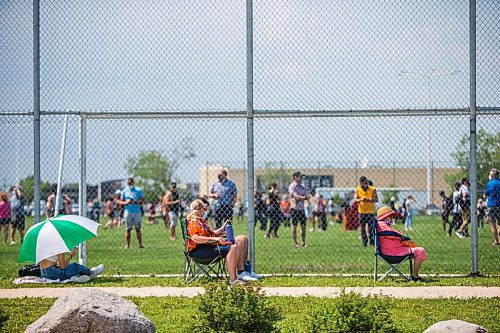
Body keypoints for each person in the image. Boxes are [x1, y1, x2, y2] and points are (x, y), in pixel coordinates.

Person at [186, 198, 261, 285]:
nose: (205, 211)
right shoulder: (193, 222)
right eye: (204, 209)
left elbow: (212, 233)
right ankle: (233, 279)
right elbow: (195, 238)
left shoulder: (201, 221)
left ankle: (242, 272)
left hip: (208, 246)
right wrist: (215, 239)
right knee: (233, 247)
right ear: (199, 210)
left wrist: (223, 227)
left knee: (242, 239)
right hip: (200, 250)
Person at [376, 206, 428, 282]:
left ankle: (415, 275)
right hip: (392, 254)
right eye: (391, 216)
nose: (393, 218)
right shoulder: (381, 224)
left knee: (417, 250)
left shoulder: (382, 225)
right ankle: (414, 275)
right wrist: (402, 236)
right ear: (385, 217)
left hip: (394, 251)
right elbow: (391, 233)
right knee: (420, 251)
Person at [39, 246, 104, 281]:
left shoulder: (45, 244)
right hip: (52, 273)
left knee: (70, 266)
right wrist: (71, 255)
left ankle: (78, 276)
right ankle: (91, 273)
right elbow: (63, 266)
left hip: (43, 273)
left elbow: (59, 265)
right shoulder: (58, 244)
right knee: (74, 266)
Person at [118, 177, 144, 249]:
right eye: (129, 184)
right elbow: (120, 201)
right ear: (127, 183)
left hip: (137, 212)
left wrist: (137, 202)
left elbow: (142, 200)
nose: (130, 185)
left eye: (131, 183)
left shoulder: (139, 190)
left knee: (138, 229)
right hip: (128, 212)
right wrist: (126, 202)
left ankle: (140, 244)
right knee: (128, 229)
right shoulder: (124, 191)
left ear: (133, 183)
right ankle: (127, 245)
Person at [353, 176, 378, 246]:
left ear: (366, 183)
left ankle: (372, 242)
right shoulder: (358, 189)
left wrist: (368, 200)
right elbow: (355, 199)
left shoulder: (372, 189)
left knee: (371, 228)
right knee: (362, 228)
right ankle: (364, 242)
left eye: (363, 184)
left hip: (370, 212)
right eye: (361, 185)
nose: (362, 186)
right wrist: (361, 200)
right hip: (361, 212)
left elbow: (376, 199)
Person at [289, 171, 308, 247]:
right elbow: (295, 196)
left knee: (303, 226)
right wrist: (303, 197)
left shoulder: (303, 186)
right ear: (295, 177)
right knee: (294, 226)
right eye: (300, 177)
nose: (301, 178)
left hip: (301, 209)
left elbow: (306, 196)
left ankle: (303, 242)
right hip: (294, 209)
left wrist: (302, 198)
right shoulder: (292, 186)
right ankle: (295, 242)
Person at [483, 168, 500, 246]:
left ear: (493, 175)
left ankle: (496, 241)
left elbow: (485, 195)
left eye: (490, 174)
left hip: (491, 205)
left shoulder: (489, 184)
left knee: (492, 224)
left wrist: (485, 195)